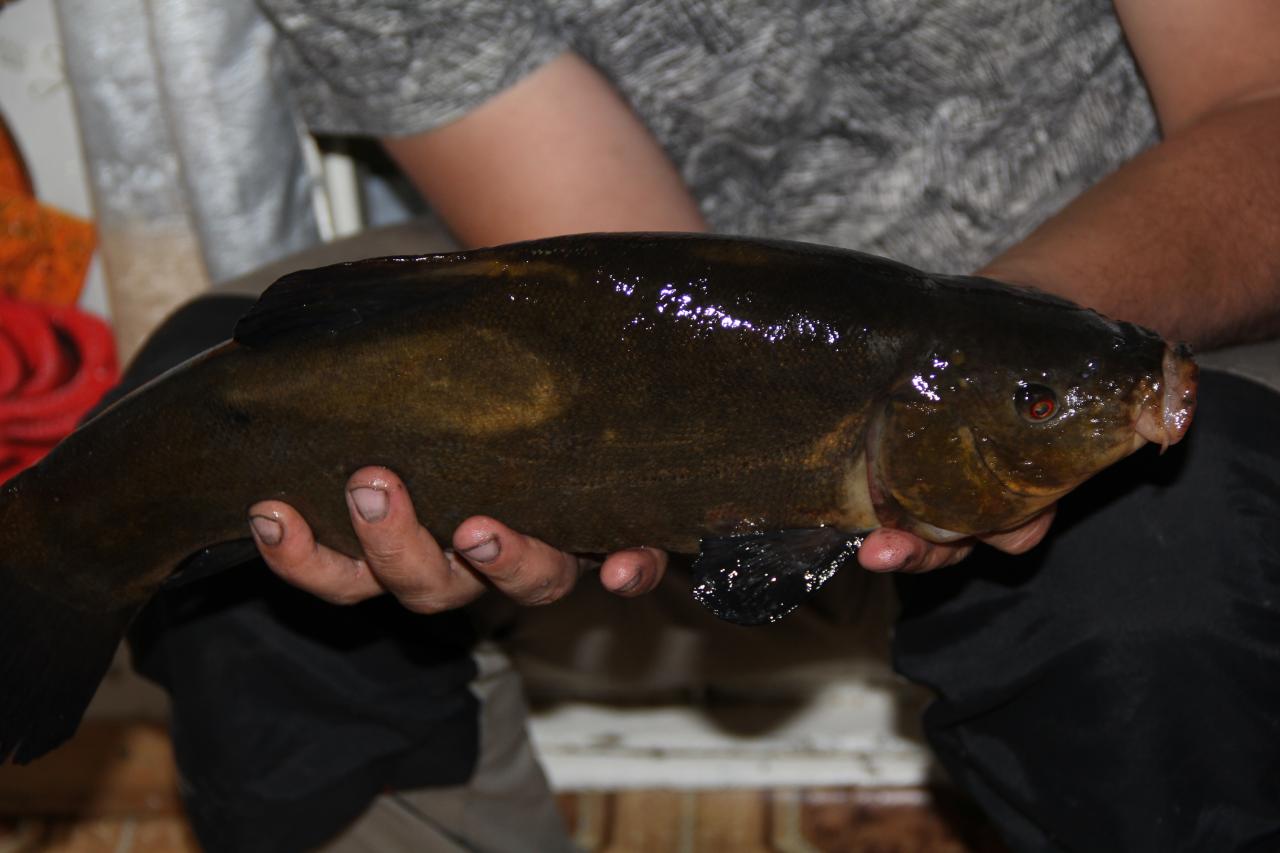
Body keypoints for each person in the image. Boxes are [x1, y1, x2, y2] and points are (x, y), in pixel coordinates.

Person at [127, 1, 1280, 850]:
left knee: (1161, 553)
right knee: (222, 414)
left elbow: (1258, 111)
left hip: (1132, 292)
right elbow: (634, 299)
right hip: (718, 373)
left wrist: (996, 359)